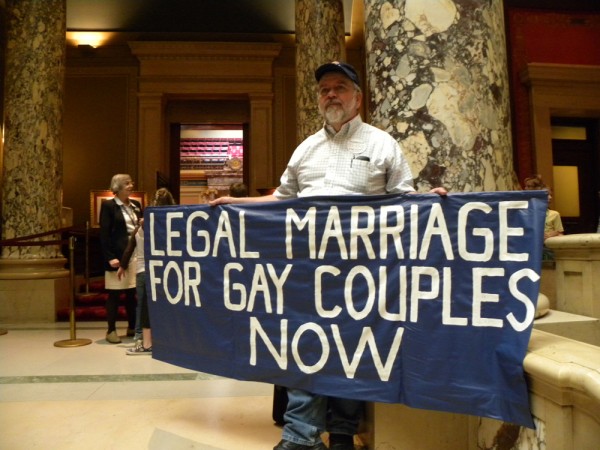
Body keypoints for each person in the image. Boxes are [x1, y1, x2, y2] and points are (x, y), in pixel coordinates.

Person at [210, 61, 446, 450]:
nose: (331, 94)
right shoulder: (306, 149)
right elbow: (281, 200)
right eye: (324, 89)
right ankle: (300, 436)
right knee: (302, 344)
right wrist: (236, 202)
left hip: (363, 270)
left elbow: (402, 199)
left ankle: (342, 432)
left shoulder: (381, 144)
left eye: (339, 87)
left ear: (357, 97)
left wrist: (428, 200)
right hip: (306, 270)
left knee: (354, 347)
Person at [118, 187, 177, 355]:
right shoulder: (173, 225)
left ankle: (144, 341)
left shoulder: (142, 225)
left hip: (145, 271)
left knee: (144, 308)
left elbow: (130, 248)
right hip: (167, 272)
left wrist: (122, 266)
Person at [99, 174, 142, 344]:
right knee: (115, 294)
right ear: (117, 187)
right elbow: (104, 235)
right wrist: (111, 258)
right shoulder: (109, 206)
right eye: (127, 183)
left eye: (131, 182)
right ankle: (111, 330)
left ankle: (132, 326)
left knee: (132, 293)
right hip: (117, 256)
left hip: (135, 256)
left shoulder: (136, 205)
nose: (131, 185)